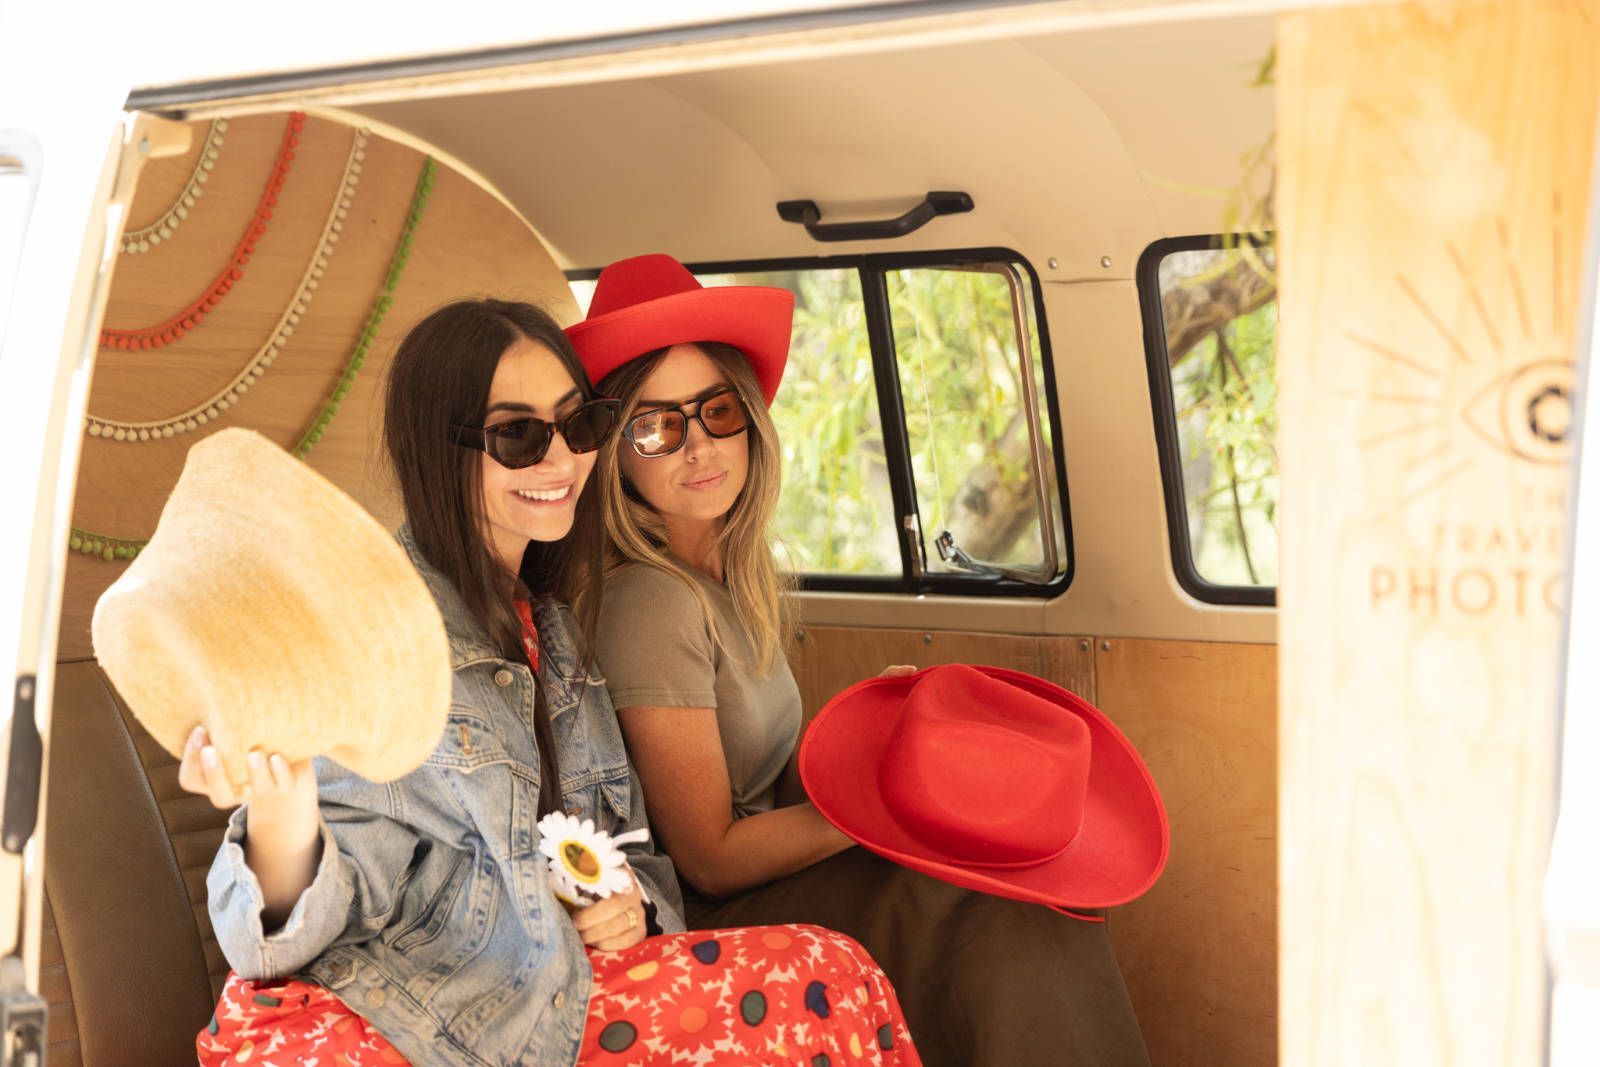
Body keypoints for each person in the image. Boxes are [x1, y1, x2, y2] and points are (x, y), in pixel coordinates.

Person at [175, 299, 920, 1066]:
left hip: (534, 991)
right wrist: (282, 800)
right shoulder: (379, 636)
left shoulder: (552, 630)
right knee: (825, 979)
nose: (561, 460)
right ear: (439, 450)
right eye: (519, 435)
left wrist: (631, 907)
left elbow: (629, 848)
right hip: (394, 1013)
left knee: (840, 975)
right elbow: (275, 934)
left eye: (579, 424)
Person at [577, 256, 1153, 1067]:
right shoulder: (650, 600)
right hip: (712, 911)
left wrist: (877, 741)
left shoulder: (729, 575)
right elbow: (707, 856)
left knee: (1018, 878)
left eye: (715, 410)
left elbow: (764, 771)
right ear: (614, 453)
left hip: (769, 870)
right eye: (656, 426)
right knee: (982, 899)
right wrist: (888, 809)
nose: (698, 446)